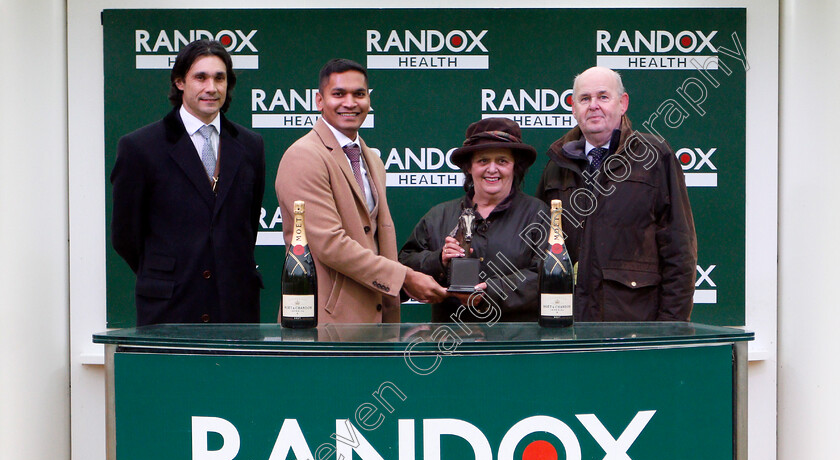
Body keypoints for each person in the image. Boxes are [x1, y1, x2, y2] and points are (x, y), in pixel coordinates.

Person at [275, 58, 446, 323]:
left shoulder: (373, 160)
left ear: (369, 99)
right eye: (339, 94)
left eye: (359, 94)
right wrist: (405, 278)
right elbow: (330, 245)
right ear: (320, 101)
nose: (350, 103)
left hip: (377, 320)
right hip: (324, 324)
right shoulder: (303, 156)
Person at [111, 40, 265, 326]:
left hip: (235, 308)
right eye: (201, 77)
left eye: (220, 78)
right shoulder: (140, 147)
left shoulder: (251, 146)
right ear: (180, 81)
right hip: (169, 308)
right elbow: (125, 235)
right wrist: (167, 271)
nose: (212, 87)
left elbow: (248, 224)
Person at [535, 66, 697, 321]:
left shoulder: (655, 156)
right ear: (574, 108)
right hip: (568, 325)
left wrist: (670, 331)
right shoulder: (557, 163)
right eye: (585, 99)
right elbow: (540, 248)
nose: (594, 105)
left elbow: (679, 250)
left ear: (623, 104)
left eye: (603, 97)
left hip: (634, 326)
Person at [400, 117, 549, 322]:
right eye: (483, 160)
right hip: (451, 342)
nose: (492, 169)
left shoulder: (537, 214)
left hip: (516, 344)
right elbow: (404, 266)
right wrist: (439, 260)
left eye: (502, 161)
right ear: (469, 167)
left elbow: (546, 275)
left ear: (515, 167)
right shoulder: (438, 216)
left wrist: (490, 293)